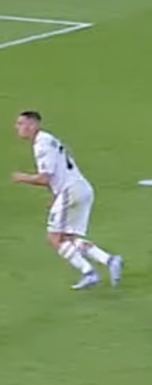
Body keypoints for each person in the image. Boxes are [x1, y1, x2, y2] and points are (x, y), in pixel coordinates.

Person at [12, 111, 124, 289]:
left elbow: (45, 178)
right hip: (81, 189)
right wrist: (54, 196)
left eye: (20, 124)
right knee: (67, 237)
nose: (16, 127)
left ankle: (89, 273)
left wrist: (22, 177)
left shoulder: (41, 145)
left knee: (54, 237)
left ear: (32, 125)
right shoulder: (49, 139)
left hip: (70, 191)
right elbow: (59, 171)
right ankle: (110, 260)